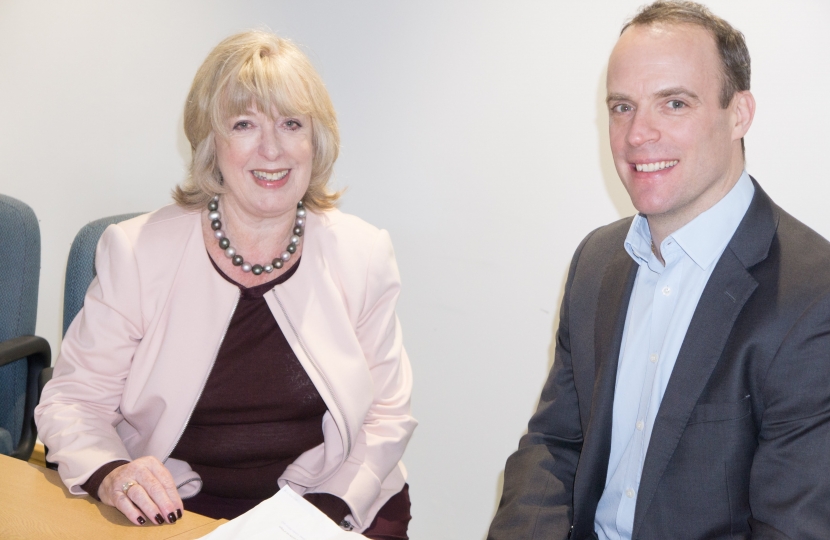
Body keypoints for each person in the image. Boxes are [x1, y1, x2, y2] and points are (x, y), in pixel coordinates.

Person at [35, 30, 416, 539]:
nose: (272, 148)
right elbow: (74, 401)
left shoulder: (362, 252)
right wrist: (114, 473)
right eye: (244, 124)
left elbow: (388, 413)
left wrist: (320, 512)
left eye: (290, 124)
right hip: (180, 506)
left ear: (315, 140)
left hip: (331, 499)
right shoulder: (138, 251)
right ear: (211, 143)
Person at [488, 2, 830, 539]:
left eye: (673, 103)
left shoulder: (813, 296)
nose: (637, 134)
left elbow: (794, 527)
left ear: (739, 113)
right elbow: (553, 448)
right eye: (622, 107)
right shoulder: (596, 263)